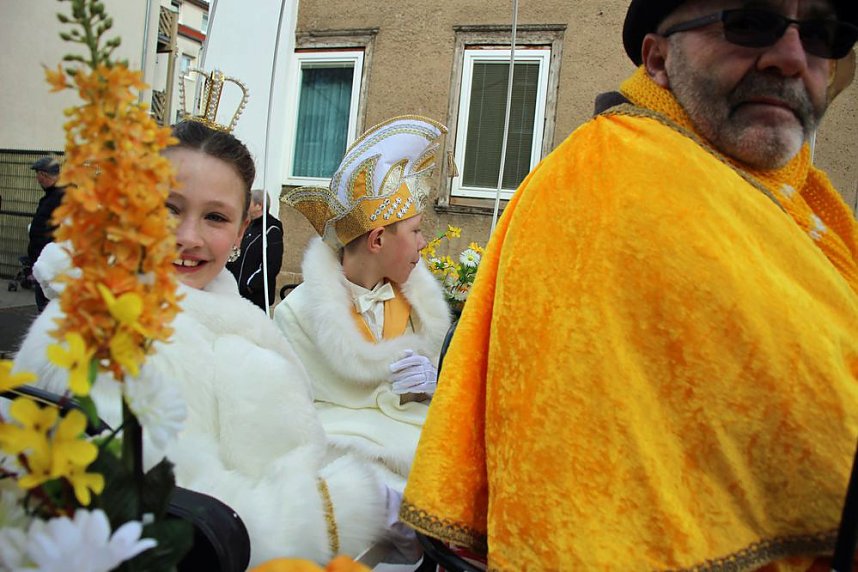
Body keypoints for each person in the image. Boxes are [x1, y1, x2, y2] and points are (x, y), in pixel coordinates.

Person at [400, 0, 858, 569]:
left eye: (822, 34)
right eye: (749, 22)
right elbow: (824, 436)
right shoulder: (619, 185)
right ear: (658, 58)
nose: (792, 57)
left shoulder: (767, 191)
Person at [12, 121, 399, 566]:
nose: (188, 237)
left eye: (215, 217)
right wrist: (345, 505)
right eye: (167, 208)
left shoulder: (219, 305)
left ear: (240, 233)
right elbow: (192, 528)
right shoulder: (101, 337)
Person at [273, 116, 452, 495]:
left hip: (422, 453)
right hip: (349, 471)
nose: (423, 243)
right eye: (416, 230)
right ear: (377, 241)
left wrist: (433, 384)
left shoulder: (418, 306)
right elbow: (292, 418)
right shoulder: (297, 315)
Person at [226, 188, 284, 310]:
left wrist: (250, 286)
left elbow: (272, 265)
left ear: (259, 205)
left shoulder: (271, 229)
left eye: (248, 203)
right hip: (236, 295)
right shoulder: (249, 226)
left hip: (255, 298)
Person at [27, 156, 65, 312]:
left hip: (52, 267)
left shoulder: (62, 196)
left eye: (38, 174)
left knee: (47, 308)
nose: (37, 179)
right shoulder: (52, 196)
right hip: (42, 263)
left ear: (43, 174)